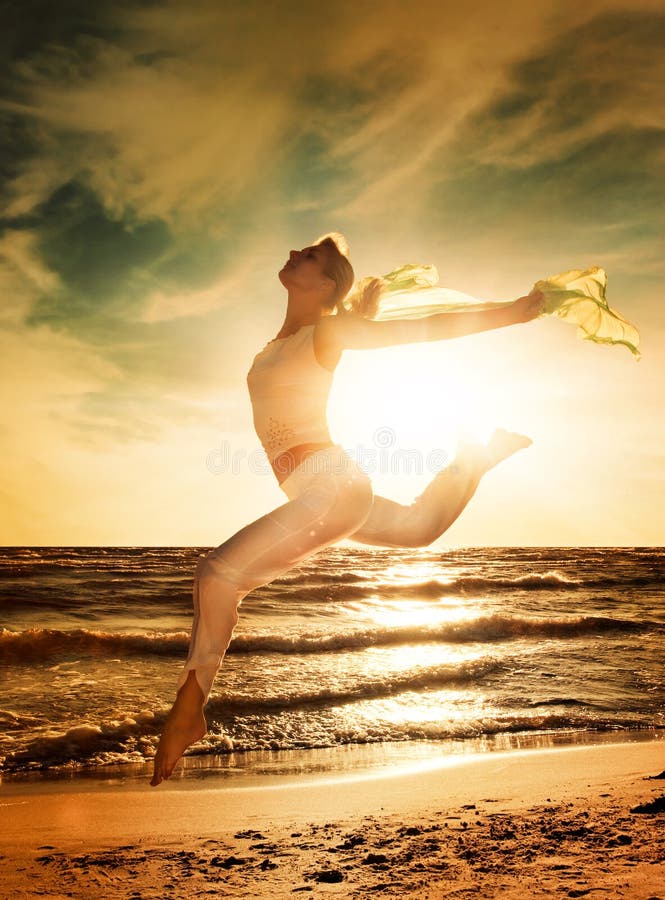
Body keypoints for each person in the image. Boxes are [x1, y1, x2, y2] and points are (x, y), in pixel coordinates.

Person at [149, 233, 544, 786]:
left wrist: (515, 313)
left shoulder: (326, 331)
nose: (293, 251)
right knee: (418, 527)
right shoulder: (279, 340)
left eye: (307, 255)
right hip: (318, 489)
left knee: (217, 575)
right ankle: (476, 460)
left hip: (332, 485)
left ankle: (188, 711)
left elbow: (421, 332)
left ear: (326, 283)